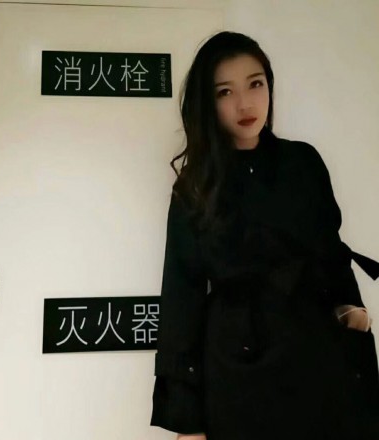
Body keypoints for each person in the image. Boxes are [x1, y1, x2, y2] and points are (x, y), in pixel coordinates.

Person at [149, 31, 379, 440]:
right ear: (207, 102)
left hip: (317, 353)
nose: (245, 103)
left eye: (255, 84)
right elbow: (181, 301)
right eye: (225, 91)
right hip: (238, 367)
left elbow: (330, 249)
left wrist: (352, 308)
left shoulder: (302, 162)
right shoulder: (196, 186)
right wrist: (188, 422)